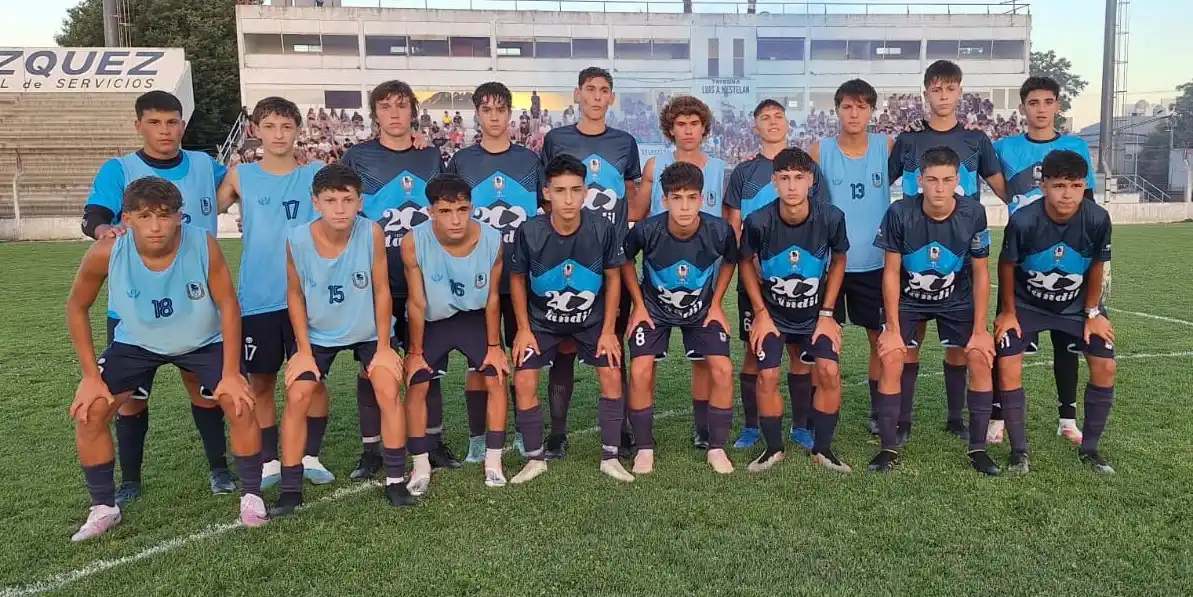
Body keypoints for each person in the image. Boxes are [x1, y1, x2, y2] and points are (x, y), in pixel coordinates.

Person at [66, 177, 261, 541]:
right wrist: (90, 375)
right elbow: (77, 307)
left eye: (164, 215)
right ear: (127, 219)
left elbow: (229, 306)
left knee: (239, 402)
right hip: (137, 343)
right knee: (91, 411)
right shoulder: (107, 252)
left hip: (202, 339)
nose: (155, 226)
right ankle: (103, 507)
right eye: (144, 216)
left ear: (179, 217)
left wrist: (231, 372)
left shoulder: (203, 245)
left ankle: (251, 495)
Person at [81, 90, 233, 505]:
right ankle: (130, 479)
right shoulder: (120, 169)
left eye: (172, 122)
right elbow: (95, 214)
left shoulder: (205, 165)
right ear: (139, 125)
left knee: (202, 388)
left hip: (196, 298)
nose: (165, 130)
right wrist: (104, 233)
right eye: (155, 122)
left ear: (183, 124)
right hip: (132, 305)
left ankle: (219, 468)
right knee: (129, 400)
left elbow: (240, 185)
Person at [271, 164, 409, 517]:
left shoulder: (371, 232)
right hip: (318, 333)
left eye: (348, 200)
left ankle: (396, 481)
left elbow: (381, 289)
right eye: (331, 200)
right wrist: (302, 351)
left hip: (368, 330)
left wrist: (382, 346)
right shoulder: (297, 239)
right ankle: (290, 490)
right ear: (315, 202)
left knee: (388, 387)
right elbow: (295, 295)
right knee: (299, 393)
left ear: (360, 201)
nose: (340, 208)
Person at [888, 60, 1006, 444]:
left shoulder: (976, 140)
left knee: (959, 347)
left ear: (959, 93)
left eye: (949, 89)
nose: (943, 96)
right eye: (935, 89)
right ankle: (901, 421)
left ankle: (956, 417)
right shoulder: (908, 140)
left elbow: (1001, 186)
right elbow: (879, 179)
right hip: (912, 251)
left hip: (961, 252)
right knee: (910, 341)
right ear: (926, 93)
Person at [340, 80, 455, 476]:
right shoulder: (357, 156)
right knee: (373, 365)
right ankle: (373, 451)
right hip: (375, 280)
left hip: (425, 277)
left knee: (427, 361)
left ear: (412, 113)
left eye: (401, 106)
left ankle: (432, 442)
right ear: (375, 115)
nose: (394, 113)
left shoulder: (430, 155)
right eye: (385, 106)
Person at [216, 96, 332, 489]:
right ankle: (268, 460)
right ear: (255, 131)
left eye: (286, 127)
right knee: (261, 381)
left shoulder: (317, 173)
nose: (278, 134)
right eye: (270, 126)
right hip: (259, 296)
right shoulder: (240, 176)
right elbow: (199, 213)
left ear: (299, 131)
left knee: (312, 377)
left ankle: (311, 456)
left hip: (309, 296)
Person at [506, 154, 632, 483]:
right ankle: (535, 459)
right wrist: (523, 330)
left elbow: (614, 278)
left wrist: (608, 331)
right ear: (546, 193)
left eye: (575, 190)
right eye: (560, 190)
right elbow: (517, 279)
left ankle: (610, 456)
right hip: (542, 322)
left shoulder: (602, 227)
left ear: (586, 193)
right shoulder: (529, 230)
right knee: (524, 378)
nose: (568, 198)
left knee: (611, 373)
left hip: (591, 321)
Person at [870, 146, 996, 474]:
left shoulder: (974, 213)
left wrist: (981, 331)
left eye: (947, 180)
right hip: (909, 298)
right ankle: (890, 443)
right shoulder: (899, 213)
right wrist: (893, 329)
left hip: (957, 298)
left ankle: (976, 446)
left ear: (958, 180)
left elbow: (982, 273)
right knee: (894, 356)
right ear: (918, 180)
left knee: (978, 357)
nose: (940, 188)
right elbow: (890, 272)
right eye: (932, 180)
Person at [988, 76, 1098, 446]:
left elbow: (1090, 201)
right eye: (1033, 102)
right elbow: (1003, 190)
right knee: (1009, 334)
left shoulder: (1075, 146)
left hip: (1070, 254)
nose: (1040, 109)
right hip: (1024, 252)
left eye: (1048, 102)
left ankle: (1067, 418)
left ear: (1057, 106)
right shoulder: (1004, 147)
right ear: (1022, 107)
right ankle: (998, 416)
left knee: (1068, 340)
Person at [539, 67, 642, 460]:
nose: (597, 97)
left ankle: (624, 426)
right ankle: (558, 434)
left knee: (614, 345)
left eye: (604, 91)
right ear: (577, 93)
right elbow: (544, 197)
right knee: (563, 347)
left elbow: (628, 196)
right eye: (590, 90)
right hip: (565, 259)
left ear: (611, 98)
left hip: (609, 262)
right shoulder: (556, 139)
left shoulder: (624, 143)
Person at [993, 149, 1116, 474]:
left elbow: (1096, 266)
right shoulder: (1023, 220)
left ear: (1085, 185)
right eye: (1060, 185)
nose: (1067, 194)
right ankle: (1019, 452)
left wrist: (1093, 311)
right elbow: (1006, 266)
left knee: (1105, 363)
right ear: (1043, 184)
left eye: (1075, 186)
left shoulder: (1097, 218)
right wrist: (1008, 312)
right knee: (1007, 361)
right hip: (1027, 304)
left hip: (1076, 306)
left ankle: (1090, 450)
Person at [445, 81, 544, 462]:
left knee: (522, 355)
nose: (494, 117)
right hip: (476, 277)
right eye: (487, 110)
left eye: (501, 110)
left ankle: (521, 431)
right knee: (478, 359)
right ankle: (477, 437)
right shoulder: (462, 162)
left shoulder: (530, 162)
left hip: (521, 276)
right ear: (478, 114)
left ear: (510, 114)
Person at [722, 99, 827, 451]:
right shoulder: (743, 172)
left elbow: (821, 219)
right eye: (764, 117)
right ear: (755, 126)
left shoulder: (808, 167)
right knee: (755, 352)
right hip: (758, 278)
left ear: (787, 123)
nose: (772, 122)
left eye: (778, 116)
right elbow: (732, 226)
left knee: (801, 354)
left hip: (801, 278)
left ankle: (801, 425)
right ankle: (752, 427)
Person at [739, 148, 851, 473]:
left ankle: (824, 449)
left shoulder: (831, 217)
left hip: (816, 315)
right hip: (773, 315)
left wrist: (828, 314)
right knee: (768, 374)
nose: (791, 186)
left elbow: (840, 258)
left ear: (810, 181)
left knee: (828, 371)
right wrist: (760, 312)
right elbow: (745, 262)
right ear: (774, 181)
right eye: (785, 178)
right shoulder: (758, 220)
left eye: (799, 178)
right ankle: (773, 448)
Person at [623, 162, 738, 474]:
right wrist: (639, 305)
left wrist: (716, 303)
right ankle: (644, 448)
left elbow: (730, 261)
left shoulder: (719, 229)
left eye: (691, 197)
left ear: (701, 199)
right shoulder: (648, 230)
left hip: (700, 310)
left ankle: (716, 448)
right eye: (677, 198)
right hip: (654, 311)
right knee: (640, 369)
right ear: (665, 201)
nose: (684, 206)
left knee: (723, 369)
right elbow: (623, 260)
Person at [400, 174, 508, 494]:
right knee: (416, 382)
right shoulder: (413, 241)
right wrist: (415, 353)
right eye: (446, 211)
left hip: (474, 318)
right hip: (434, 321)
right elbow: (417, 303)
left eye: (462, 209)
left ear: (472, 207)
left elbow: (492, 298)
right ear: (430, 211)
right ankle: (420, 465)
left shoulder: (492, 238)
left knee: (496, 376)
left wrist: (494, 345)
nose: (456, 219)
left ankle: (493, 461)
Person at [634, 95, 727, 452]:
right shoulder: (655, 166)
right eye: (680, 124)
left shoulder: (718, 167)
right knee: (647, 360)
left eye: (694, 124)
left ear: (704, 128)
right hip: (660, 277)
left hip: (704, 277)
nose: (688, 131)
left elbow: (725, 220)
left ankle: (703, 428)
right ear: (670, 129)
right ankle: (639, 427)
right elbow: (641, 213)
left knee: (703, 358)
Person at [808, 79, 894, 437]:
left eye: (861, 106)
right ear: (837, 110)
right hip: (830, 265)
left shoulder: (887, 147)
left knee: (878, 339)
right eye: (847, 106)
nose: (854, 113)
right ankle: (819, 408)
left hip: (875, 263)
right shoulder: (819, 151)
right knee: (823, 338)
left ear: (872, 111)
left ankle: (878, 408)